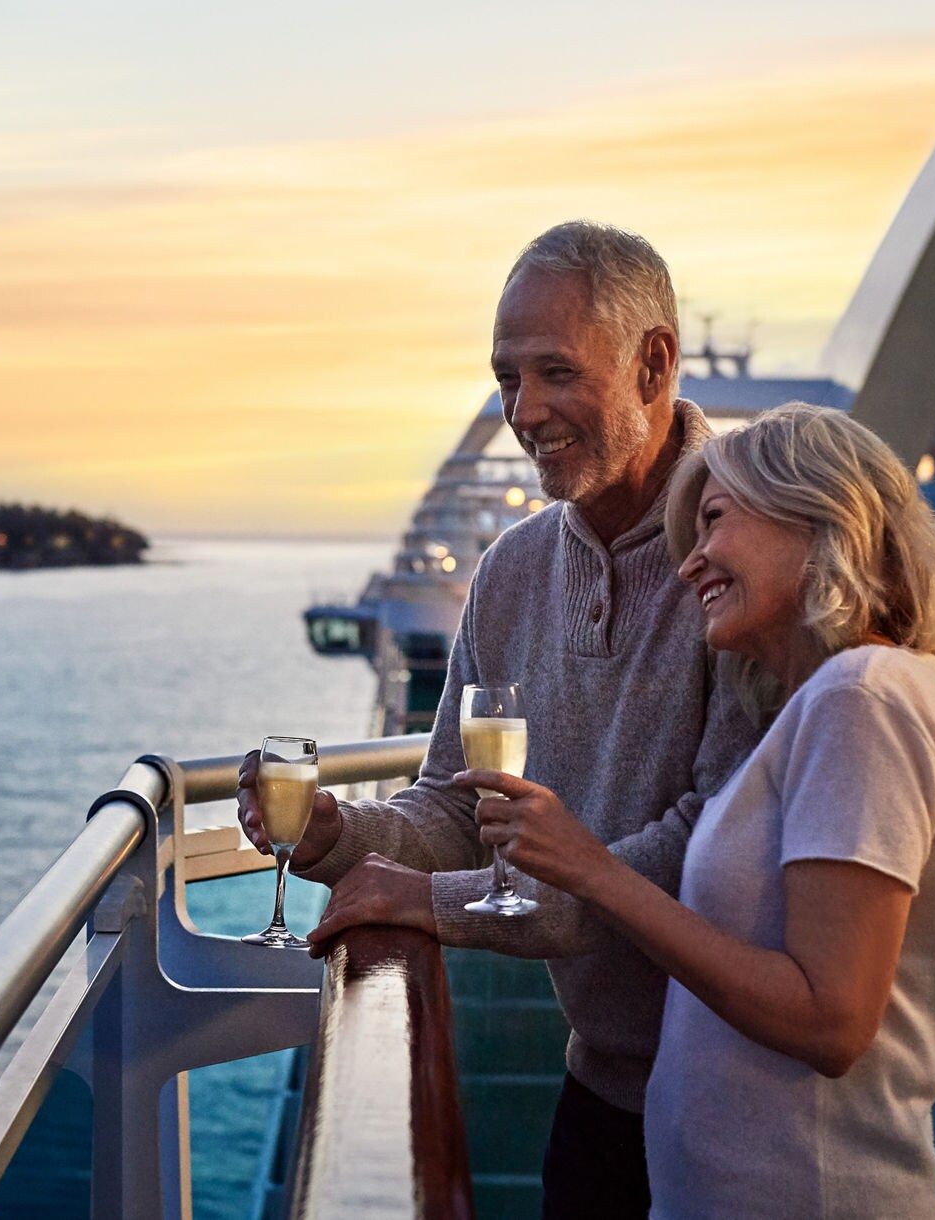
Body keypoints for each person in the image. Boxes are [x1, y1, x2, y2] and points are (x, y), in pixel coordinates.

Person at [237, 221, 755, 1217]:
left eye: (555, 371)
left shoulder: (743, 550)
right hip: (598, 1087)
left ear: (654, 362)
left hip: (739, 1109)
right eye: (505, 378)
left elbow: (706, 854)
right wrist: (344, 833)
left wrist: (428, 904)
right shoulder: (511, 572)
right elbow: (450, 806)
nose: (524, 411)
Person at [461, 403, 935, 1218]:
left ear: (819, 511)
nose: (689, 564)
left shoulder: (865, 698)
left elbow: (830, 1021)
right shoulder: (851, 697)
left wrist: (595, 872)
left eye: (713, 522)